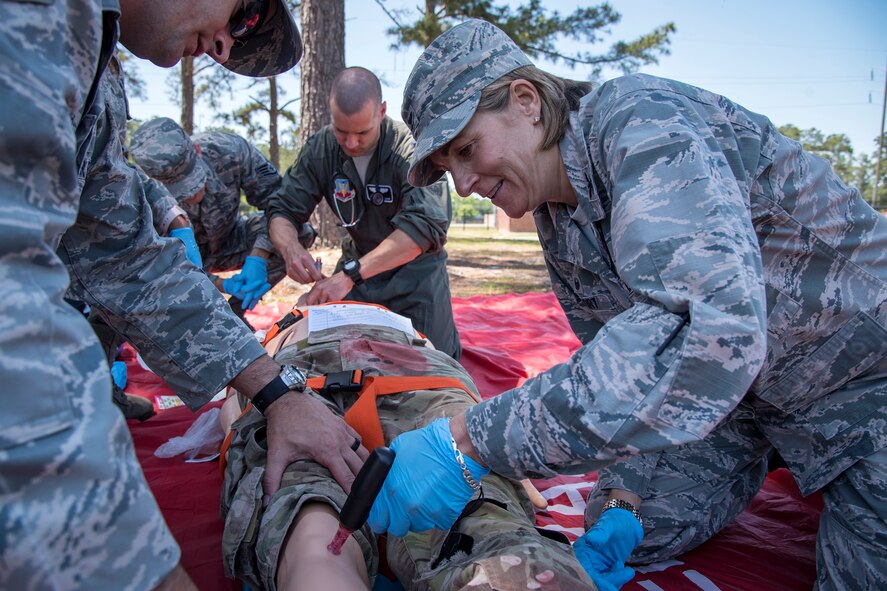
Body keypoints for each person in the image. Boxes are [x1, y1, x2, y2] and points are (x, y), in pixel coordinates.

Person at [365, 19, 887, 591]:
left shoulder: (640, 121)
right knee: (633, 523)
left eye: (466, 149)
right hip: (742, 408)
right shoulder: (558, 218)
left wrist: (467, 439)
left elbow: (707, 334)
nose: (462, 184)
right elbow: (618, 368)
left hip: (861, 388)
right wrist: (621, 494)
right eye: (447, 167)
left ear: (526, 101)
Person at [1, 1, 370, 589]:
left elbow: (126, 257)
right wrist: (129, 560)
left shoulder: (97, 59)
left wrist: (275, 392)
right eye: (242, 11)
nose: (225, 48)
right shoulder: (43, 17)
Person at [219, 300, 592, 590]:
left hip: (301, 376)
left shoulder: (282, 329)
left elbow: (234, 408)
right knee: (474, 506)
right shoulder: (399, 325)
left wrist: (245, 424)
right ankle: (520, 563)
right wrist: (493, 455)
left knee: (310, 520)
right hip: (417, 370)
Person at [267, 66, 462, 359]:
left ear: (382, 111)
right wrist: (291, 248)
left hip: (415, 275)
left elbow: (423, 227)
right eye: (341, 131)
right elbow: (282, 210)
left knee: (435, 363)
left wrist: (349, 276)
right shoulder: (322, 147)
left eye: (362, 132)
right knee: (318, 356)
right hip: (355, 268)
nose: (351, 143)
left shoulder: (410, 147)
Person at [131, 117, 317, 327]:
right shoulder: (139, 193)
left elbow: (279, 204)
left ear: (198, 151)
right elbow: (159, 262)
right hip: (181, 258)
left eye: (194, 182)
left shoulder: (229, 150)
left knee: (298, 233)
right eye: (179, 192)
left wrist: (259, 257)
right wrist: (222, 284)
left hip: (229, 240)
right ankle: (208, 320)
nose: (191, 196)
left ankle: (238, 310)